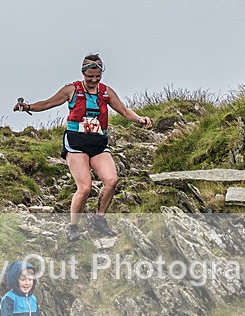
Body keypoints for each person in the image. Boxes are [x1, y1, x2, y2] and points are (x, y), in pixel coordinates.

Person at [13, 53, 153, 241]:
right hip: (76, 142)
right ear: (83, 73)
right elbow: (47, 103)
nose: (94, 80)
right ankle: (73, 227)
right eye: (90, 77)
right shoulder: (72, 90)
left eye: (97, 76)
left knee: (111, 181)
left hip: (98, 142)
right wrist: (26, 107)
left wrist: (140, 119)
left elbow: (125, 111)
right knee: (85, 188)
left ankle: (99, 219)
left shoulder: (106, 92)